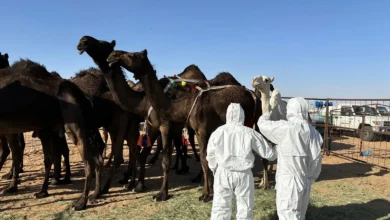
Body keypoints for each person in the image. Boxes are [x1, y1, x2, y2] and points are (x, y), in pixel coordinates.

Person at [206, 103, 277, 220]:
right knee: (245, 208)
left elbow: (210, 154)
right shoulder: (250, 133)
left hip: (223, 172)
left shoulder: (218, 132)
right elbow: (268, 154)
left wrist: (214, 168)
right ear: (242, 116)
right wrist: (279, 147)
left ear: (227, 115)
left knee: (220, 208)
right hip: (243, 174)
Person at [257, 97, 323, 220]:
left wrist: (267, 112)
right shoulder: (314, 133)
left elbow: (262, 125)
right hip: (304, 181)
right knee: (300, 215)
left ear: (290, 110)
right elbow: (316, 160)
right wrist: (310, 179)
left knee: (287, 215)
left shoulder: (285, 128)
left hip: (288, 182)